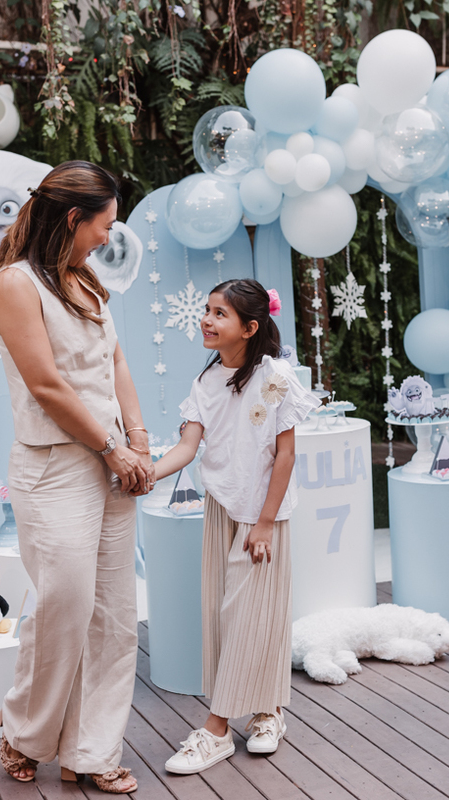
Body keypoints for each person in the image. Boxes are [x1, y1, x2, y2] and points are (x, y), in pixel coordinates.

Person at [0, 161, 154, 794]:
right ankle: (26, 730)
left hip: (113, 461)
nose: (109, 236)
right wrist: (113, 449)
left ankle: (92, 751)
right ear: (73, 218)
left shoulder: (84, 278)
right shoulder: (14, 283)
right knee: (66, 604)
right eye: (105, 224)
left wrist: (137, 440)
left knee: (114, 615)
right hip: (56, 466)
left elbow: (116, 362)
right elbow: (47, 385)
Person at [153, 279, 319, 774]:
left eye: (219, 313)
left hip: (262, 515)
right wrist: (144, 475)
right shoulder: (205, 382)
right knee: (229, 617)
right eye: (207, 310)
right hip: (221, 509)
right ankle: (269, 711)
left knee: (251, 613)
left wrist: (265, 522)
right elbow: (187, 448)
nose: (206, 320)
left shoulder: (276, 377)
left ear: (249, 328)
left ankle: (217, 730)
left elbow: (285, 456)